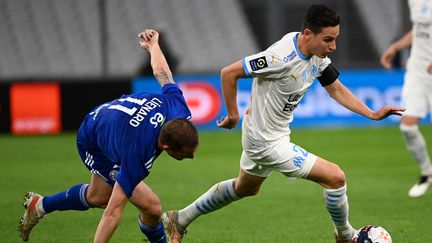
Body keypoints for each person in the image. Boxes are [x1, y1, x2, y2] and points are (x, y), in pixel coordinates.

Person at [162, 5, 405, 243]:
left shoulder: (315, 54)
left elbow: (335, 89)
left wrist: (372, 114)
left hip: (266, 132)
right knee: (335, 177)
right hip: (266, 141)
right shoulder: (278, 58)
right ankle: (345, 235)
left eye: (335, 39)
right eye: (328, 39)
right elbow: (229, 73)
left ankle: (179, 218)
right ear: (308, 34)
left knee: (245, 188)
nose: (333, 46)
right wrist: (233, 114)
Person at [18, 29, 199, 243]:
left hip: (114, 122)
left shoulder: (178, 108)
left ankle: (39, 206)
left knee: (98, 196)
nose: (192, 158)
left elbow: (163, 73)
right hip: (92, 138)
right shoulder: (136, 156)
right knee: (150, 206)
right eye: (186, 155)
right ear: (167, 148)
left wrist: (153, 46)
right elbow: (112, 213)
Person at [380, 0, 432, 198]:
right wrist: (396, 46)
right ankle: (427, 173)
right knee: (407, 127)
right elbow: (420, 31)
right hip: (418, 71)